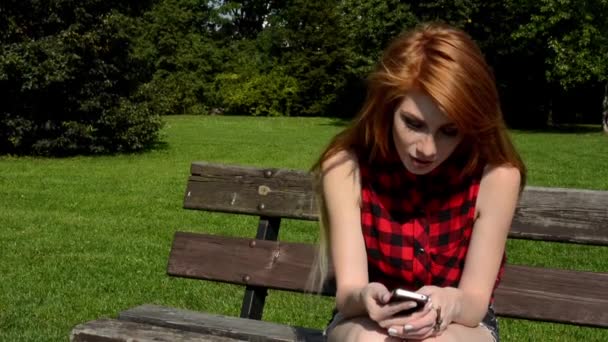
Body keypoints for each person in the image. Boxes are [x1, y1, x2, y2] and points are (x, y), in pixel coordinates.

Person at [309, 23, 526, 341]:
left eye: (449, 131)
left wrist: (448, 302)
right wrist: (367, 296)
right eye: (413, 123)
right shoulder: (345, 167)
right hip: (367, 319)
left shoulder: (496, 176)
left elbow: (475, 303)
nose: (427, 148)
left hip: (461, 322)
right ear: (388, 107)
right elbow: (349, 293)